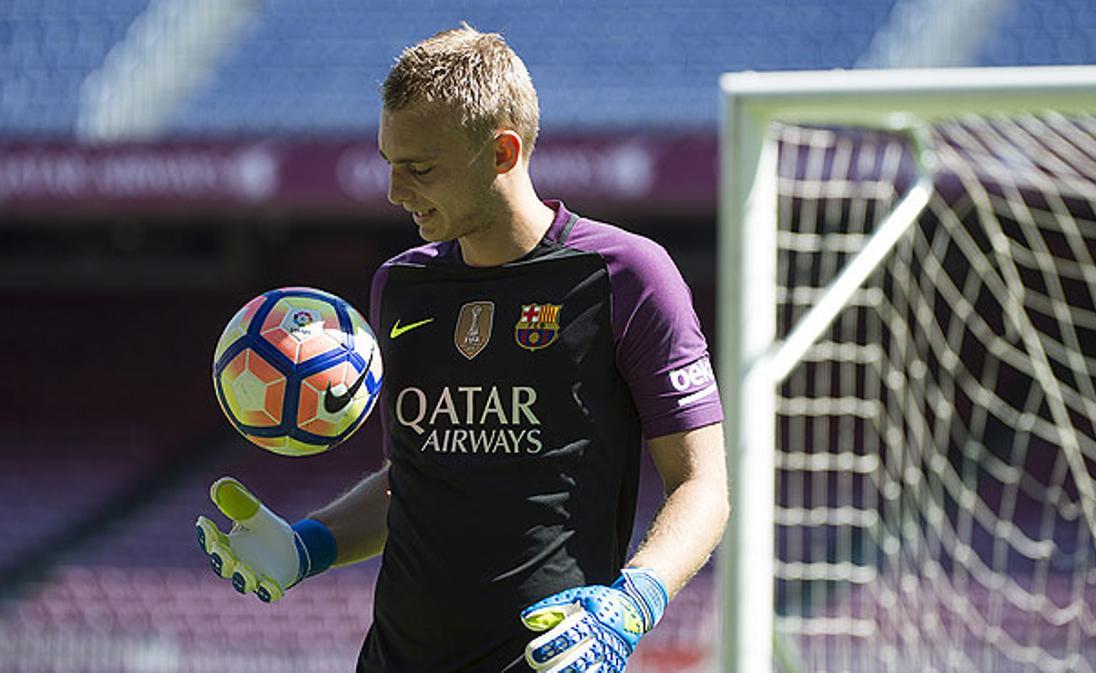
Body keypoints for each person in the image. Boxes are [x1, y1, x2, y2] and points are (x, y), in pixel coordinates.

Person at [195, 24, 728, 673]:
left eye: (419, 168)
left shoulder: (627, 276)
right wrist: (310, 544)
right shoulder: (402, 284)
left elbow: (703, 484)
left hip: (549, 660)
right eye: (389, 163)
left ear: (502, 152)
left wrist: (633, 600)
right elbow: (417, 480)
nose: (394, 191)